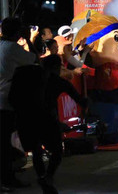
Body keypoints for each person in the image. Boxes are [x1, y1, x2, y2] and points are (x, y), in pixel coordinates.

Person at [10, 51, 87, 194]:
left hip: (28, 119)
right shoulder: (58, 81)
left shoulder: (30, 78)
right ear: (57, 67)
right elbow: (80, 100)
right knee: (57, 151)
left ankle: (42, 177)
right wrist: (87, 103)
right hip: (47, 120)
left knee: (36, 151)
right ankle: (48, 177)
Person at [0, 18, 36, 190]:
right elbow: (34, 59)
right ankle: (7, 179)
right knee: (5, 144)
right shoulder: (12, 48)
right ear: (17, 33)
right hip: (6, 101)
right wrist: (29, 39)